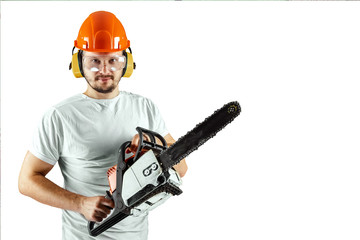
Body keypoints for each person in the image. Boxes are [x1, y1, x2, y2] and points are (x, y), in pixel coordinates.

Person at [18, 11, 187, 240]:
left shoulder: (145, 107)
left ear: (126, 62)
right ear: (79, 63)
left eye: (113, 60)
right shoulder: (60, 116)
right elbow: (27, 181)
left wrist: (153, 146)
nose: (105, 70)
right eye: (95, 61)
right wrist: (79, 203)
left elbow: (181, 166)